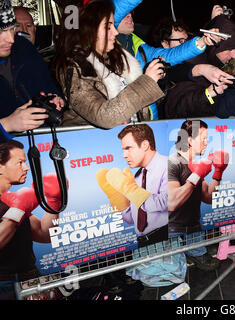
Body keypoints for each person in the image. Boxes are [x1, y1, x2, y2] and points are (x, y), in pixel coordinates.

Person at [54, 0, 166, 128]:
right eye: (108, 27)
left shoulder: (121, 58)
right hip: (93, 144)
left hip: (130, 138)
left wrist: (156, 78)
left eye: (114, 26)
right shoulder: (74, 67)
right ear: (89, 29)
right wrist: (146, 82)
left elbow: (137, 106)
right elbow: (104, 117)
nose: (116, 32)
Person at [0, 140, 63, 299]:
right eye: (20, 163)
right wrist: (17, 210)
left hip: (29, 277)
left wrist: (54, 202)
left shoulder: (12, 199)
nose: (26, 167)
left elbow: (45, 235)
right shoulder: (16, 204)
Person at [168, 120, 229, 271]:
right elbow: (172, 203)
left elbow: (208, 198)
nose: (206, 143)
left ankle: (194, 253)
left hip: (193, 228)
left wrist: (218, 173)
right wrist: (196, 175)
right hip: (172, 230)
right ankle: (185, 254)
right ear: (189, 140)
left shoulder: (194, 164)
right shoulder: (173, 162)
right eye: (203, 138)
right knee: (171, 268)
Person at [0, 0, 64, 136]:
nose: (11, 38)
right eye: (2, 31)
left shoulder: (24, 48)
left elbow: (47, 86)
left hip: (42, 141)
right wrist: (7, 124)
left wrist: (54, 99)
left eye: (12, 29)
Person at [97, 124, 168, 247]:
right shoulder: (138, 176)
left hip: (166, 239)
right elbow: (132, 219)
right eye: (123, 150)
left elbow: (166, 203)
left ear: (145, 145)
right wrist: (118, 199)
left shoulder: (168, 165)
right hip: (142, 242)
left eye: (128, 148)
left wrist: (130, 189)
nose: (124, 155)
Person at [161, 13, 235, 119]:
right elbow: (176, 109)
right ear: (165, 44)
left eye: (187, 41)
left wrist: (215, 21)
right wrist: (206, 93)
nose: (186, 46)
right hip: (188, 131)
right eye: (181, 41)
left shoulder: (203, 61)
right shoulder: (163, 70)